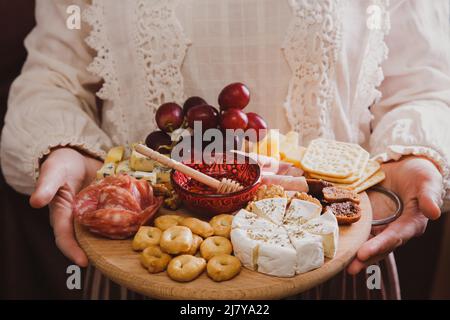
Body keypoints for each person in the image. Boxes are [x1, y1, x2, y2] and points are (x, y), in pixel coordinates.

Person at [1, 0, 449, 299]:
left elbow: (425, 76)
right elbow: (53, 75)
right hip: (136, 268)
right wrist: (63, 148)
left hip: (335, 260)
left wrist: (415, 156)